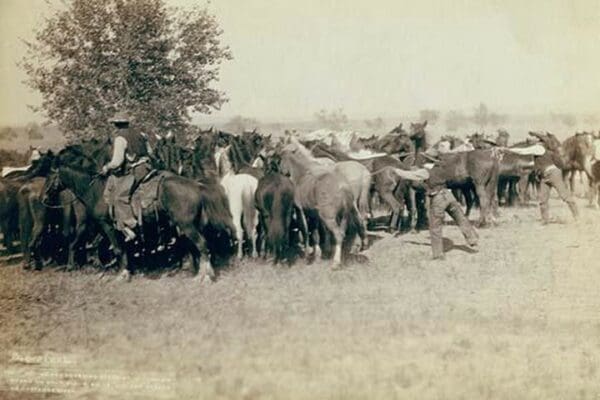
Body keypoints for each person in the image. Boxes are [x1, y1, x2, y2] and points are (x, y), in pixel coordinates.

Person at [392, 165, 479, 260]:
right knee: (460, 218)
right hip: (449, 195)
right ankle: (472, 238)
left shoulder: (426, 172)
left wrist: (396, 170)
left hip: (438, 198)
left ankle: (438, 254)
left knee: (435, 226)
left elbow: (410, 175)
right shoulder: (442, 169)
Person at [102, 111, 152, 241]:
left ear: (116, 124)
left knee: (119, 197)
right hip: (148, 167)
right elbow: (150, 151)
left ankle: (130, 224)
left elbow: (117, 161)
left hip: (136, 171)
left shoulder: (120, 138)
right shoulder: (141, 134)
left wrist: (107, 167)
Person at [508, 132, 578, 224]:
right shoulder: (542, 150)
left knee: (564, 196)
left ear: (539, 140)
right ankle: (545, 220)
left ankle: (577, 216)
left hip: (552, 174)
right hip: (547, 175)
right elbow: (537, 164)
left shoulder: (538, 148)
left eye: (534, 138)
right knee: (543, 199)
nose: (531, 139)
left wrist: (507, 149)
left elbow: (523, 151)